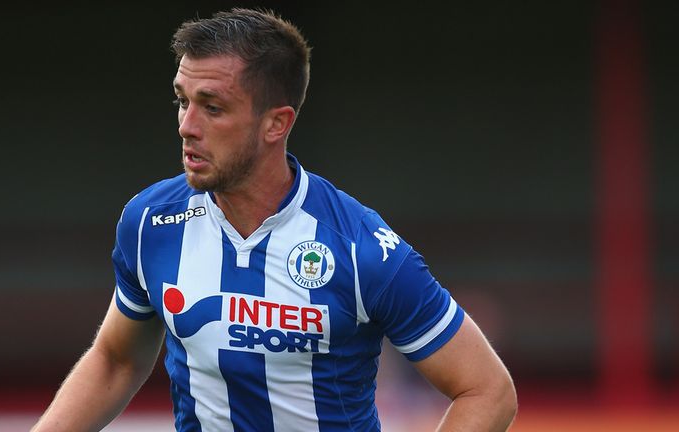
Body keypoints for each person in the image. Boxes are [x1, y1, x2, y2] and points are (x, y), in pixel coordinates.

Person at [32, 8, 517, 432]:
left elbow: (487, 390)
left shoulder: (360, 249)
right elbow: (117, 361)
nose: (186, 125)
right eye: (183, 100)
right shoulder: (151, 222)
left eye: (213, 107)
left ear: (276, 124)